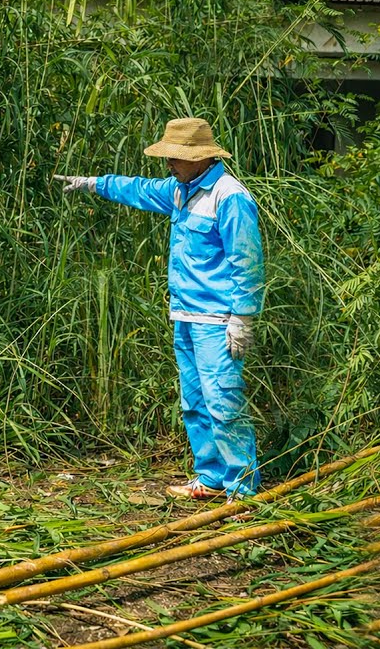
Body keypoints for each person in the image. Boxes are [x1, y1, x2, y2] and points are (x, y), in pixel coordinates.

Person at [54, 117, 265, 500]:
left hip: (218, 321)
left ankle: (242, 488)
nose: (169, 163)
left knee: (224, 402)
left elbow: (247, 261)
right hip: (185, 314)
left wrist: (243, 317)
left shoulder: (228, 195)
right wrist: (94, 183)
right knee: (195, 402)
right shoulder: (181, 189)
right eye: (167, 156)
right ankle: (211, 477)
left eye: (176, 157)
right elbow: (139, 189)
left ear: (201, 157)